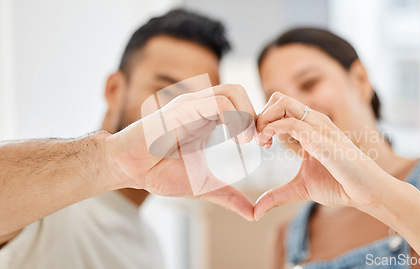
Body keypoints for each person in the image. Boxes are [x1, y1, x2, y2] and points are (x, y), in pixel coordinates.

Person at [0, 9, 256, 269]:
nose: (186, 118)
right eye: (168, 93)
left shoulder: (150, 247)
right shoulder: (43, 206)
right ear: (114, 90)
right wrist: (114, 160)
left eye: (203, 106)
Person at [254, 28, 420, 269]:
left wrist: (380, 195)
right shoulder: (287, 237)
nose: (293, 108)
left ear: (361, 80)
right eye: (276, 100)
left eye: (309, 83)